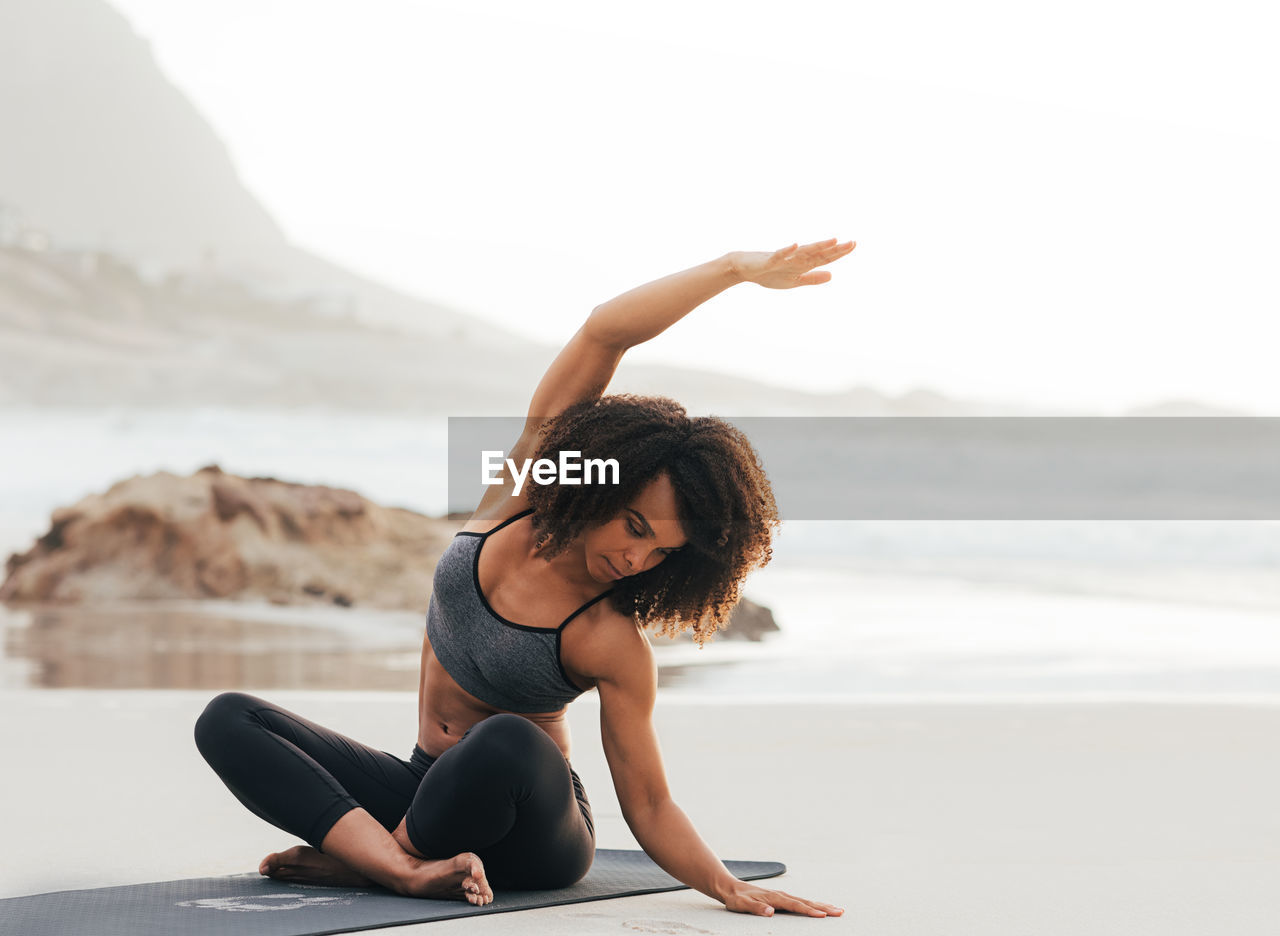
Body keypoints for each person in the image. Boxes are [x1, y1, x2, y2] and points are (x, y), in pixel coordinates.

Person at [194, 237, 855, 918]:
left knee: (508, 738)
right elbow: (604, 333)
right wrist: (732, 270)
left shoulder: (608, 637)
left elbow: (649, 802)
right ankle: (394, 865)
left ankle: (375, 863)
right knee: (229, 719)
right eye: (633, 527)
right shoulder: (519, 489)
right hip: (431, 794)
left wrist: (723, 883)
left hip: (534, 835)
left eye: (662, 553)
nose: (636, 560)